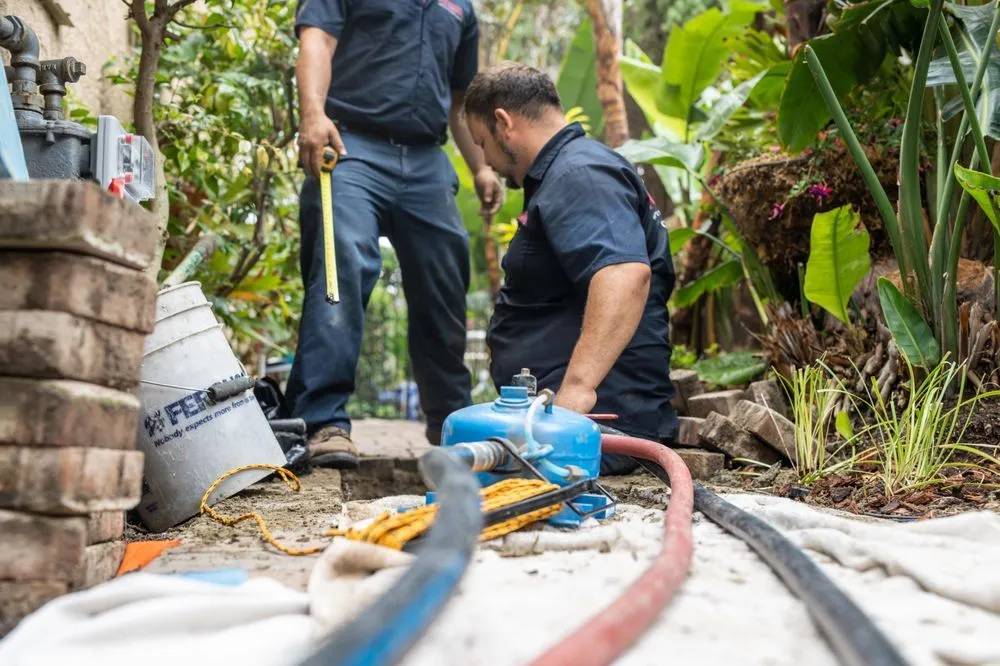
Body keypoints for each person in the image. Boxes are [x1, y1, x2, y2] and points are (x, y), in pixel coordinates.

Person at [289, 0, 504, 469]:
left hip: (427, 159)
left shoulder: (460, 10)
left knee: (445, 280)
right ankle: (322, 421)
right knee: (340, 263)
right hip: (350, 145)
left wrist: (482, 167)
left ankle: (450, 422)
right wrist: (312, 114)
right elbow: (317, 40)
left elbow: (458, 98)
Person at [461, 62, 678, 474]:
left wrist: (575, 394)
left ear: (503, 123)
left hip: (594, 430)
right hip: (570, 425)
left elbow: (624, 274)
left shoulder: (579, 174)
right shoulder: (569, 173)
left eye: (481, 142)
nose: (486, 160)